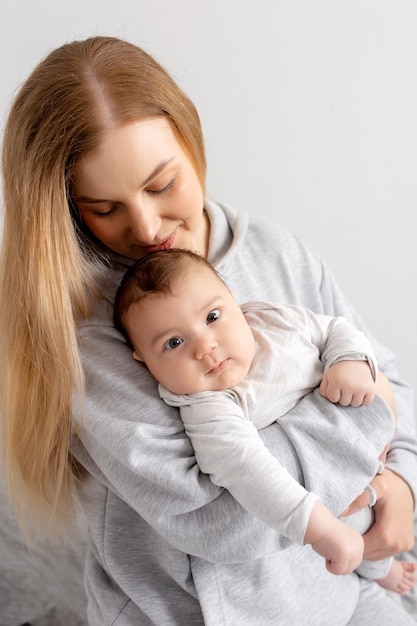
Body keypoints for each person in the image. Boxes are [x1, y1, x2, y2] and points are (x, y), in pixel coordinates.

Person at [0, 35, 416, 625]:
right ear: (67, 206)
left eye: (161, 184)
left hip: (338, 585)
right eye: (105, 207)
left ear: (190, 141)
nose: (145, 227)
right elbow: (221, 519)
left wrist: (400, 481)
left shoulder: (276, 251)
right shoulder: (90, 331)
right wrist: (368, 468)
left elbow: (390, 378)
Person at [113, 247, 415, 593]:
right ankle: (378, 569)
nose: (205, 347)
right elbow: (252, 474)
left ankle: (378, 562)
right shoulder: (209, 408)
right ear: (143, 360)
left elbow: (333, 329)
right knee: (358, 524)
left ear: (234, 300)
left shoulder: (270, 320)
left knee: (375, 517)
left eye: (212, 317)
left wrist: (348, 360)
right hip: (329, 495)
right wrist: (321, 530)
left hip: (370, 444)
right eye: (174, 342)